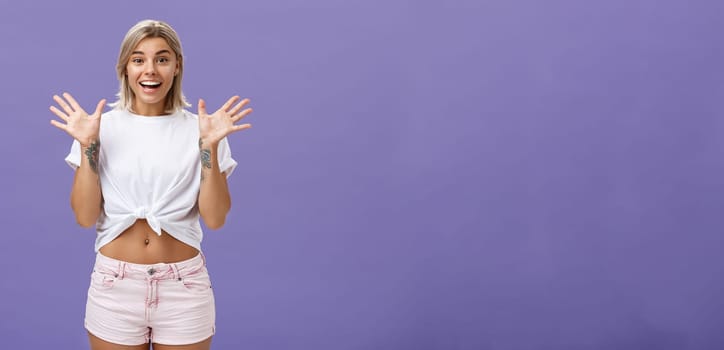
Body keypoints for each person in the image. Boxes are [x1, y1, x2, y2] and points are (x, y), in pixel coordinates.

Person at [49, 19, 252, 350]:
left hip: (183, 288)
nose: (151, 70)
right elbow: (85, 217)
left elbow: (214, 219)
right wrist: (89, 144)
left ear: (176, 67)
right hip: (115, 287)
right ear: (125, 68)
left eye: (162, 58)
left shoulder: (202, 129)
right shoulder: (99, 127)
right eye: (138, 59)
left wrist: (209, 148)